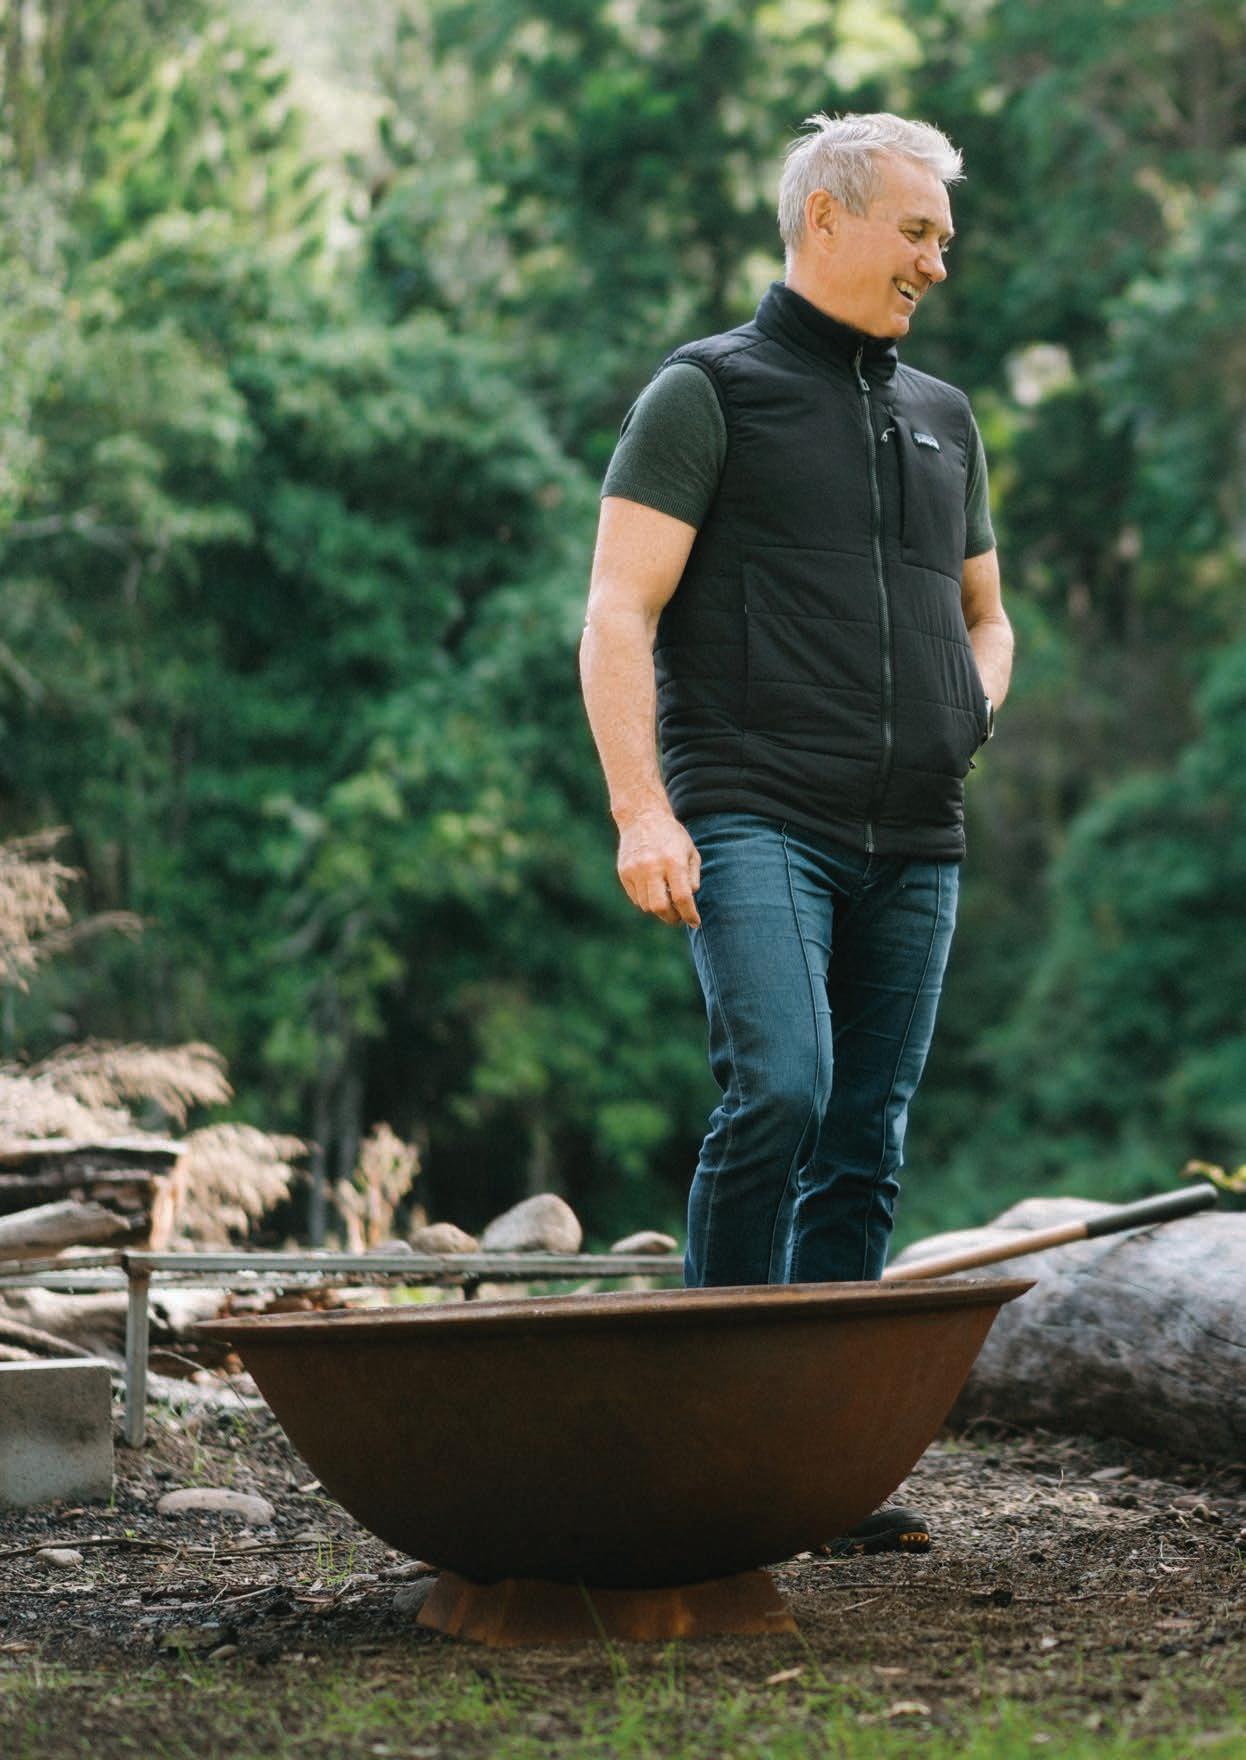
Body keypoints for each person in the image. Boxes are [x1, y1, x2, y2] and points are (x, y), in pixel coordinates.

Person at [580, 112, 1012, 1302]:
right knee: (781, 1088)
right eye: (916, 232)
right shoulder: (706, 390)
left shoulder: (945, 416)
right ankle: (715, 1389)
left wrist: (966, 709)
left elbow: (988, 616)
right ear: (826, 217)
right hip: (756, 812)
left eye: (943, 238)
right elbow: (617, 609)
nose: (936, 262)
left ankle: (815, 1417)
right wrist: (640, 810)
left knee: (866, 1140)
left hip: (917, 837)